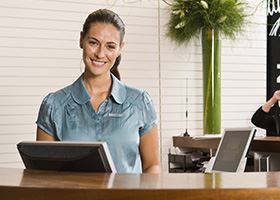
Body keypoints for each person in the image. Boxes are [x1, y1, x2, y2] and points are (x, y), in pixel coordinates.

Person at [35, 9, 161, 174]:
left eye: (110, 46)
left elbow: (152, 166)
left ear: (120, 48)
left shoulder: (140, 102)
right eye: (93, 42)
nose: (100, 54)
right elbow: (44, 174)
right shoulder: (53, 105)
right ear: (81, 40)